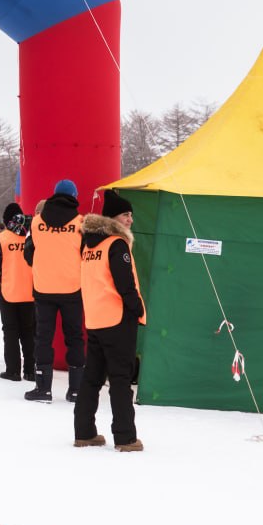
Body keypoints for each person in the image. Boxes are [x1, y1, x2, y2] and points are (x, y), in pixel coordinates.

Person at [75, 190, 145, 452]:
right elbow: (125, 283)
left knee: (91, 378)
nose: (130, 220)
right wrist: (137, 307)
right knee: (120, 380)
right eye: (126, 215)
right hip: (117, 319)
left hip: (95, 318)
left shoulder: (89, 243)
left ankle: (84, 432)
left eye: (131, 215)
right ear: (114, 218)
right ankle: (125, 437)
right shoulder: (117, 244)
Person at [23, 179, 86, 403]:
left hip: (44, 288)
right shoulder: (80, 223)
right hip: (72, 288)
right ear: (74, 197)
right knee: (75, 338)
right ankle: (77, 390)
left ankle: (43, 389)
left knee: (43, 338)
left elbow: (31, 252)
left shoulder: (37, 222)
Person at [0, 203, 35, 382]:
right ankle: (30, 370)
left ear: (6, 220)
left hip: (8, 290)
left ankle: (13, 370)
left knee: (10, 331)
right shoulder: (33, 236)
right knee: (28, 332)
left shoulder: (3, 238)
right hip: (30, 291)